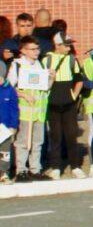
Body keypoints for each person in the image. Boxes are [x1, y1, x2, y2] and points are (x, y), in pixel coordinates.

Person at [43, 32, 85, 179]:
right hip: (52, 104)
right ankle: (55, 167)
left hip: (69, 104)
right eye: (66, 45)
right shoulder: (46, 60)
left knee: (71, 135)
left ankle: (75, 166)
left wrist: (74, 95)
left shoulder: (72, 60)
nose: (69, 48)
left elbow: (80, 79)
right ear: (57, 45)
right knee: (55, 136)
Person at [8, 37, 49, 180]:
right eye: (32, 49)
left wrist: (51, 78)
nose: (36, 52)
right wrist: (24, 95)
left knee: (38, 141)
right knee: (23, 142)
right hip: (24, 111)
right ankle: (21, 170)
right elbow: (10, 87)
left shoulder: (40, 65)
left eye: (37, 49)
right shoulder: (17, 66)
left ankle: (35, 169)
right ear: (23, 50)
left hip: (39, 111)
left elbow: (45, 88)